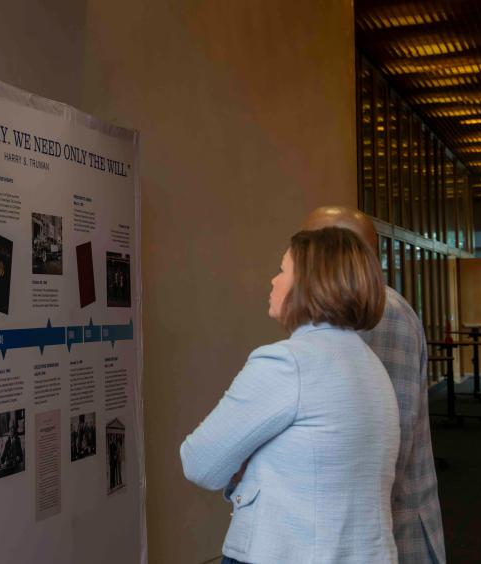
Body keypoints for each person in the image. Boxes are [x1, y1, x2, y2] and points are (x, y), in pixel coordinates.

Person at [181, 227, 400, 564]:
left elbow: (199, 463)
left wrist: (243, 459)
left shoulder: (287, 363)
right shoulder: (370, 366)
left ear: (312, 283)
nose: (273, 280)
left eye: (282, 270)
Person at [302, 206, 446, 563]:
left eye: (317, 246)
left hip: (387, 535)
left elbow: (386, 443)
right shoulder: (345, 312)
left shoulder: (381, 314)